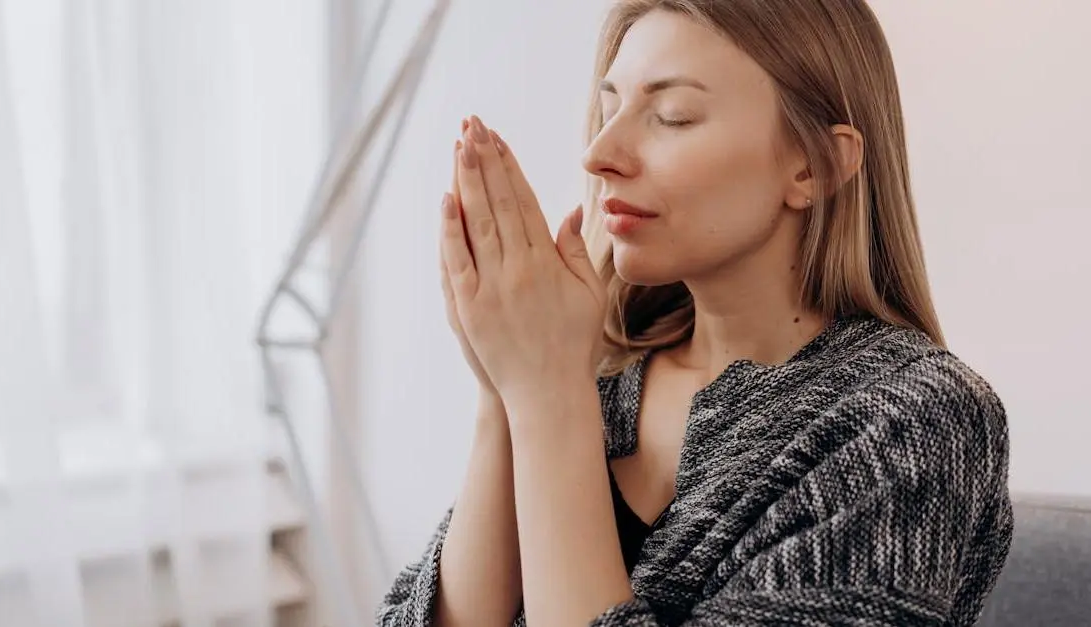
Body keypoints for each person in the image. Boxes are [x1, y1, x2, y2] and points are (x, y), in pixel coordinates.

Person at [377, 0, 1013, 625]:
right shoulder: (593, 373)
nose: (600, 153)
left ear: (815, 164)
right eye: (608, 109)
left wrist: (547, 399)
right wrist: (504, 388)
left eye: (673, 117)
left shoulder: (914, 419)